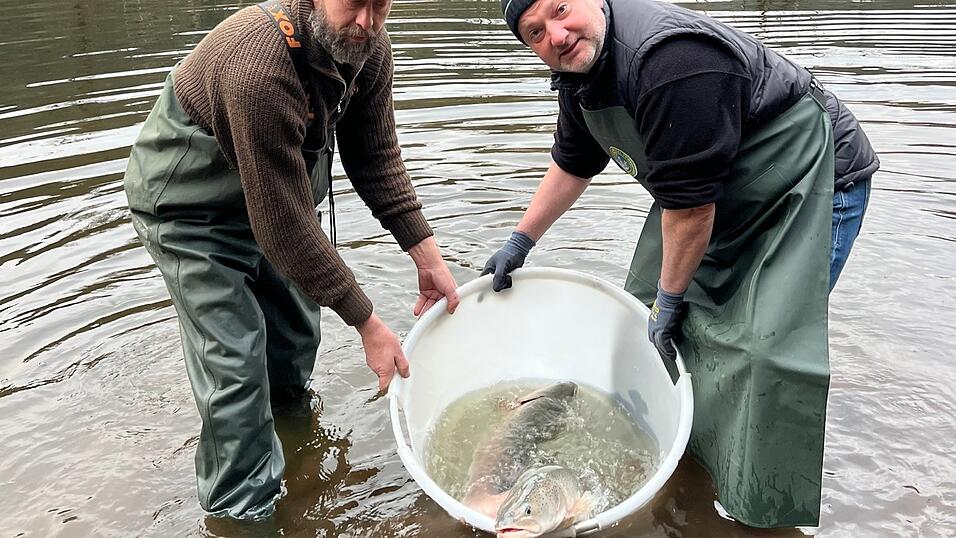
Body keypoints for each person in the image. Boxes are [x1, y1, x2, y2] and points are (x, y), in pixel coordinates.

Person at [482, 0, 878, 528]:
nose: (555, 34)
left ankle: (754, 512)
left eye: (561, 9)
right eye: (535, 32)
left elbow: (690, 211)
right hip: (717, 193)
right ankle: (682, 456)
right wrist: (520, 241)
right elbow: (573, 164)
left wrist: (671, 302)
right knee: (645, 319)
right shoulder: (581, 75)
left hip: (808, 186)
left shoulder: (670, 59)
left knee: (759, 354)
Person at [123, 0, 459, 520]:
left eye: (381, 4)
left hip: (277, 199)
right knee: (235, 363)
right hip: (191, 213)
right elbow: (280, 223)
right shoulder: (257, 66)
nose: (367, 21)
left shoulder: (371, 47)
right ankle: (242, 514)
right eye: (354, 3)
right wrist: (367, 321)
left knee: (295, 338)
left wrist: (425, 251)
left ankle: (295, 446)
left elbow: (375, 157)